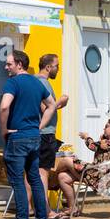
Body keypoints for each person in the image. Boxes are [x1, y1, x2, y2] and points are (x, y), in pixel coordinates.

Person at [0, 50, 55, 219]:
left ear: (19, 64)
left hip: (18, 136)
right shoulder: (36, 83)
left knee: (17, 181)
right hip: (34, 137)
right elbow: (52, 104)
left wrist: (4, 130)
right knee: (35, 179)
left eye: (9, 64)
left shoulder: (13, 83)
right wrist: (39, 126)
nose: (6, 67)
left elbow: (4, 106)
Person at [60, 118, 110, 217]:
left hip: (97, 177)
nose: (103, 128)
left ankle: (50, 180)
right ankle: (73, 208)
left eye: (106, 126)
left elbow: (93, 146)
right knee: (62, 177)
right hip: (96, 174)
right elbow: (99, 147)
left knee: (66, 160)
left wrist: (86, 137)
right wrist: (102, 140)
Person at [36, 53, 70, 198]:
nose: (58, 69)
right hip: (45, 133)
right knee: (43, 172)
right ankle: (44, 210)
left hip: (38, 133)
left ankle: (31, 208)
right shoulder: (43, 84)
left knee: (32, 172)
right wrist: (60, 101)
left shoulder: (34, 81)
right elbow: (45, 110)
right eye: (57, 66)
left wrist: (57, 106)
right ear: (48, 67)